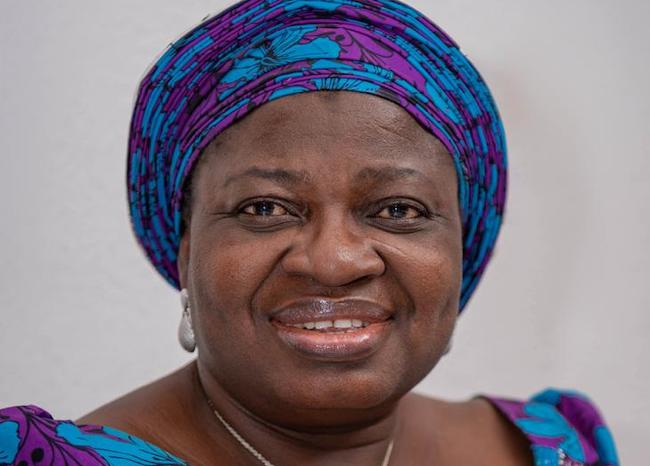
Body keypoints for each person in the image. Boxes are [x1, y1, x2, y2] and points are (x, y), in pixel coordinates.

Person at [0, 0, 620, 465]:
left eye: (397, 210)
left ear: (464, 248)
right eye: (264, 208)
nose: (334, 261)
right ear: (186, 249)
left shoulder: (558, 448)